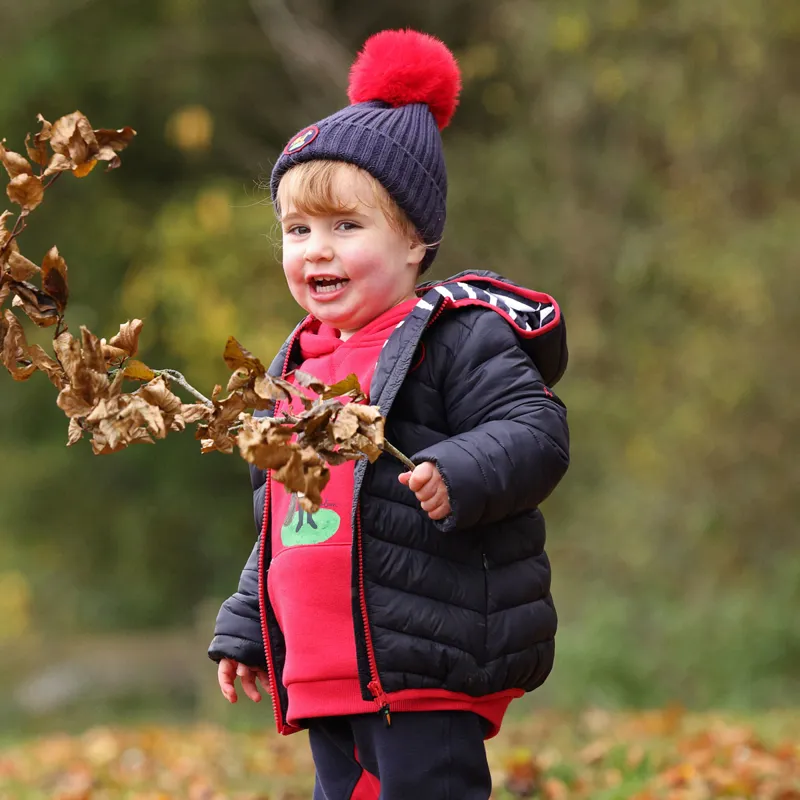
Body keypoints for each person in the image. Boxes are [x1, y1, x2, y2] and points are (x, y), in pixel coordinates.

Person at [208, 28, 570, 800]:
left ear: (415, 242)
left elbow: (535, 432)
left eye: (347, 227)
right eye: (297, 230)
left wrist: (459, 471)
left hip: (421, 657)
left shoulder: (455, 338)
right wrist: (249, 627)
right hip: (326, 667)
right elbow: (290, 514)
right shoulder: (296, 369)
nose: (317, 250)